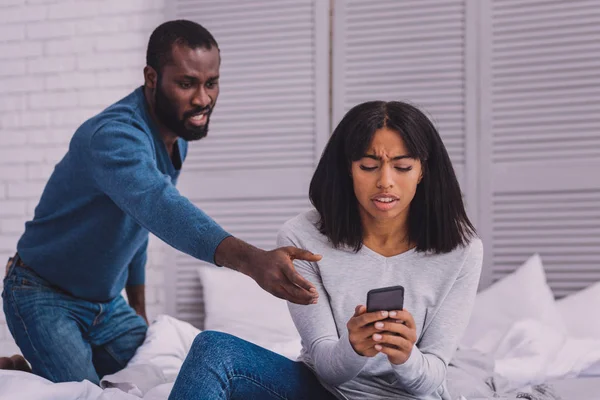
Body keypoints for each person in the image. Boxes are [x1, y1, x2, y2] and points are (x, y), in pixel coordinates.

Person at [1, 20, 320, 384]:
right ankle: (27, 375)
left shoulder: (175, 135)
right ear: (151, 77)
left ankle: (33, 369)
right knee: (84, 393)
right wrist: (253, 261)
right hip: (43, 294)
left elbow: (139, 223)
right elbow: (158, 207)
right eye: (186, 83)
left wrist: (138, 310)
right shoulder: (113, 137)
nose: (203, 99)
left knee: (167, 379)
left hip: (105, 306)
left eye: (211, 83)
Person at [168, 100, 484, 400]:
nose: (385, 182)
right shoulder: (302, 237)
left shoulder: (462, 251)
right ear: (348, 169)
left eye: (402, 167)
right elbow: (326, 366)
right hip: (324, 392)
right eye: (368, 166)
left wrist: (406, 356)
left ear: (422, 171)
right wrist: (354, 348)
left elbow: (431, 377)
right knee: (214, 350)